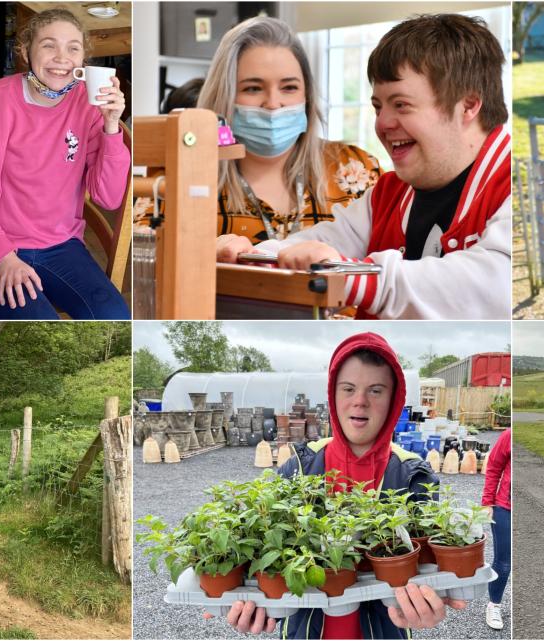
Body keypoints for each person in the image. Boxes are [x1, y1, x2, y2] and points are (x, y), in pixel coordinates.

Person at [216, 14, 511, 320]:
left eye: (401, 105)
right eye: (378, 107)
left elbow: (493, 285)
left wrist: (353, 277)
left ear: (468, 105)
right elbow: (322, 242)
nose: (382, 124)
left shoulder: (512, 186)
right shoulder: (387, 194)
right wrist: (250, 256)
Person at [222, 332, 464, 638]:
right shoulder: (300, 467)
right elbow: (262, 558)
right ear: (333, 394)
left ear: (394, 399)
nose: (359, 401)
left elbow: (428, 567)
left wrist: (428, 607)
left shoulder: (412, 475)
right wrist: (249, 602)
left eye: (375, 391)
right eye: (348, 388)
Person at [0, 8, 131, 319]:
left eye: (73, 48)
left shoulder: (89, 107)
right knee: (39, 326)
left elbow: (108, 197)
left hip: (62, 246)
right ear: (25, 50)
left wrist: (111, 127)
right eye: (48, 45)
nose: (61, 57)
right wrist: (3, 255)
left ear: (83, 59)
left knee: (115, 317)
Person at [198, 17, 380, 242]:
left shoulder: (358, 170)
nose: (273, 103)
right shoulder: (185, 178)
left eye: (289, 87)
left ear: (307, 96)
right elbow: (149, 264)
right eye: (253, 88)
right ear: (223, 96)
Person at [481, 427, 510, 630]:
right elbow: (494, 467)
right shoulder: (509, 434)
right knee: (504, 562)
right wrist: (487, 502)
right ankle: (495, 605)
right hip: (505, 508)